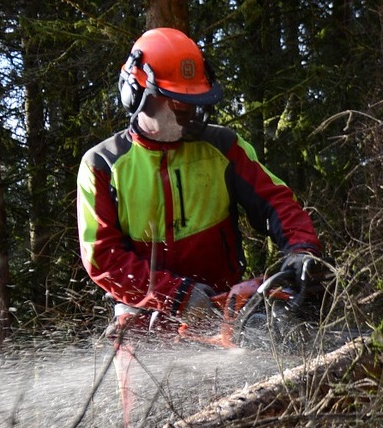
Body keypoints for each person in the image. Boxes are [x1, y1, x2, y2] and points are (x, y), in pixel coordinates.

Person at [76, 27, 327, 333]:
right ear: (137, 95)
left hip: (225, 308)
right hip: (145, 320)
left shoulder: (223, 147)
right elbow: (102, 258)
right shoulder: (102, 165)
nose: (189, 113)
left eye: (193, 101)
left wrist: (301, 249)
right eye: (178, 103)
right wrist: (175, 295)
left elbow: (276, 201)